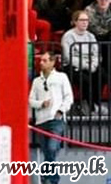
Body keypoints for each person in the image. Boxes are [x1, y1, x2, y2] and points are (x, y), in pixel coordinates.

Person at [29, 51, 74, 184]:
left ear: (52, 62)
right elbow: (30, 100)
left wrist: (61, 110)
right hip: (41, 120)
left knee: (52, 148)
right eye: (41, 60)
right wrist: (41, 104)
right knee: (47, 151)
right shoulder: (37, 81)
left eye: (44, 60)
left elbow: (68, 97)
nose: (41, 63)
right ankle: (49, 178)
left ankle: (50, 179)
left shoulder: (62, 77)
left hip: (56, 119)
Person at [61, 10, 103, 115]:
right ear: (75, 22)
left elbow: (96, 53)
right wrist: (85, 65)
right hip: (72, 66)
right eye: (82, 20)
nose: (85, 22)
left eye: (87, 20)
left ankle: (97, 103)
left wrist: (93, 65)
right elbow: (68, 56)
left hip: (89, 64)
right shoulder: (68, 36)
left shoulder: (90, 36)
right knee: (85, 79)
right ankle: (87, 105)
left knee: (102, 75)